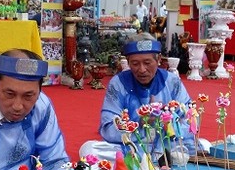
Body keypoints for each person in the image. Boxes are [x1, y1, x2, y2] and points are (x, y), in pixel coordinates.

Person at [80, 33, 202, 163]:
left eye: (147, 62)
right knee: (89, 150)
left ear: (159, 59)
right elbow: (107, 128)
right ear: (127, 62)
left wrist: (167, 126)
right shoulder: (118, 84)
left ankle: (163, 158)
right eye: (135, 63)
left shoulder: (172, 82)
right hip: (131, 147)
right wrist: (140, 123)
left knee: (204, 145)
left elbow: (191, 120)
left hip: (167, 144)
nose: (142, 69)